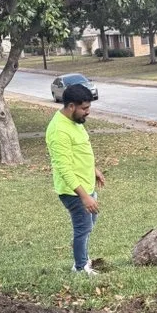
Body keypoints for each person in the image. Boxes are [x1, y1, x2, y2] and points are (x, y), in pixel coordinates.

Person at [45, 83, 105, 275]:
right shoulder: (59, 131)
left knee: (88, 224)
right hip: (73, 190)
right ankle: (80, 267)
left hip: (86, 184)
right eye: (84, 108)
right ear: (71, 106)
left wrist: (93, 169)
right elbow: (64, 168)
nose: (88, 112)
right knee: (83, 227)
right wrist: (84, 197)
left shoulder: (75, 121)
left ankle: (81, 257)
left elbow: (80, 150)